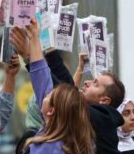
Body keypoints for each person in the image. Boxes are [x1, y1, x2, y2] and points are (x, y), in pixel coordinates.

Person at [11, 25, 126, 153]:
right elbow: (65, 88)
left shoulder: (104, 119)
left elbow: (60, 92)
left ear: (105, 100)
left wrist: (30, 54)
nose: (87, 82)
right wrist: (48, 46)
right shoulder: (75, 122)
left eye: (95, 84)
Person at [22, 19, 95, 154]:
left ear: (51, 110)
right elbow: (42, 79)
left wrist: (34, 41)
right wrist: (37, 40)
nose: (46, 91)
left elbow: (42, 80)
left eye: (49, 94)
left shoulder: (44, 148)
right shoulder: (79, 142)